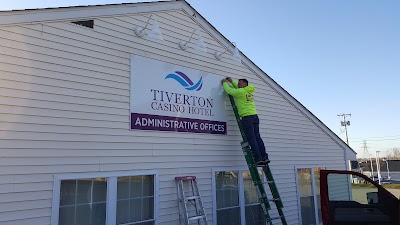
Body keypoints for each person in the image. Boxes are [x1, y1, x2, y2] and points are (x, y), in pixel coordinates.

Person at [221, 77, 270, 165]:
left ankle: (258, 158)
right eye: (238, 83)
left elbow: (229, 91)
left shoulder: (241, 92)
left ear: (245, 84)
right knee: (257, 137)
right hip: (254, 116)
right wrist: (232, 81)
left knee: (251, 138)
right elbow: (238, 88)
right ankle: (265, 157)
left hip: (247, 117)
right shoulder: (248, 90)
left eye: (240, 83)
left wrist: (224, 83)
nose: (238, 84)